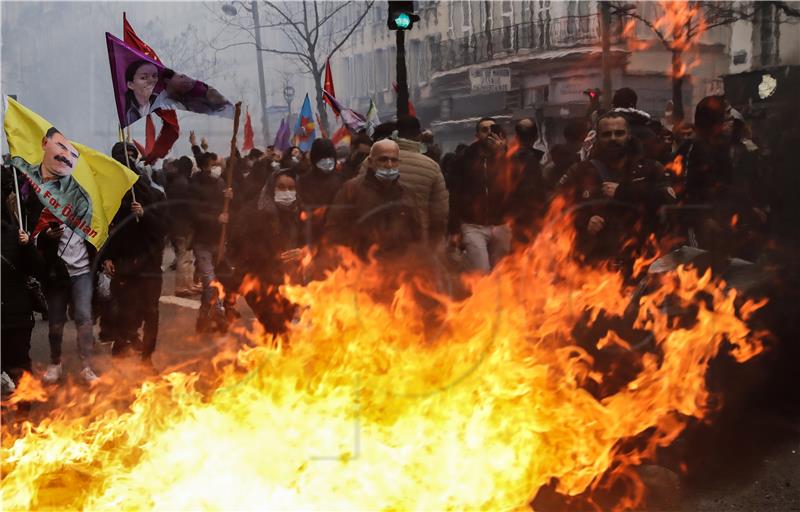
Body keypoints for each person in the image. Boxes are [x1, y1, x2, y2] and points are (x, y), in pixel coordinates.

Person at [558, 112, 674, 271]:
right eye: (607, 134)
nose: (613, 138)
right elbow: (556, 207)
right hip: (594, 264)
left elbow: (668, 199)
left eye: (619, 133)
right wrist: (583, 221)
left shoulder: (650, 169)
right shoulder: (580, 172)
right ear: (597, 138)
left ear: (628, 136)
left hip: (643, 260)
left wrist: (623, 192)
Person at [103, 143, 168, 364]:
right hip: (124, 264)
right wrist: (106, 258)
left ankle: (147, 356)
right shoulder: (111, 199)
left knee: (151, 311)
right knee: (126, 310)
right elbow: (107, 231)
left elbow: (163, 229)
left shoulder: (155, 196)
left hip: (149, 265)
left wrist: (144, 214)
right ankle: (124, 340)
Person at [229, 169, 304, 334]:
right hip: (261, 284)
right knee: (275, 329)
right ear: (271, 188)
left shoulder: (299, 212)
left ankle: (276, 355)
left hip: (290, 284)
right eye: (282, 187)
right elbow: (237, 246)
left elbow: (314, 241)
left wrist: (304, 252)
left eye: (291, 188)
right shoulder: (253, 213)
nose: (287, 192)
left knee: (283, 329)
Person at [326, 139, 421, 259]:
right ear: (371, 162)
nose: (389, 165)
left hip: (397, 267)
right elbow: (334, 229)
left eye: (394, 160)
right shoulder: (351, 190)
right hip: (361, 267)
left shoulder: (407, 193)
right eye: (383, 159)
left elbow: (417, 235)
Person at [447, 119, 515, 273]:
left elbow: (514, 184)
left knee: (501, 273)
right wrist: (454, 229)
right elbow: (454, 195)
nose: (489, 133)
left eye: (493, 129)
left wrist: (501, 155)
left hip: (500, 224)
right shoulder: (463, 160)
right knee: (481, 272)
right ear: (477, 135)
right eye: (484, 130)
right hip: (473, 225)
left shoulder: (506, 157)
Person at [1, 170, 45, 390]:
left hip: (16, 317)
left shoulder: (15, 235)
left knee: (19, 370)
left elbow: (37, 269)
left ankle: (22, 418)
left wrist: (27, 246)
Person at [189, 150, 234, 333]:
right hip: (202, 240)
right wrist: (216, 218)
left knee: (220, 279)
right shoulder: (194, 186)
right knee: (209, 280)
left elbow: (230, 208)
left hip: (219, 239)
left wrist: (230, 198)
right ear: (205, 165)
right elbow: (193, 214)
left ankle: (203, 316)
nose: (216, 167)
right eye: (213, 164)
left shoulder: (221, 183)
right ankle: (218, 314)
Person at [391, 115, 449, 246]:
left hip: (378, 240)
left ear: (395, 134)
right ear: (419, 136)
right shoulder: (432, 167)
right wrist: (434, 241)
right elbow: (440, 212)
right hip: (417, 240)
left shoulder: (372, 161)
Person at [297, 138, 345, 247]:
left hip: (336, 233)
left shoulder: (341, 178)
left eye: (330, 157)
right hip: (311, 234)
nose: (327, 161)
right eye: (323, 158)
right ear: (315, 159)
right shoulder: (304, 181)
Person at [166, 156, 199, 297]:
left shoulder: (176, 182)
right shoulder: (184, 184)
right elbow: (188, 207)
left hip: (177, 225)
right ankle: (181, 287)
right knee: (184, 257)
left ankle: (188, 285)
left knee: (186, 257)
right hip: (183, 226)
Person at [124, 60, 159, 125]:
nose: (151, 81)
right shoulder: (129, 113)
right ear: (130, 85)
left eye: (154, 76)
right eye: (143, 78)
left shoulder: (163, 103)